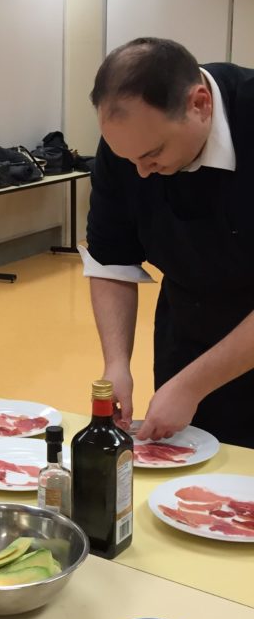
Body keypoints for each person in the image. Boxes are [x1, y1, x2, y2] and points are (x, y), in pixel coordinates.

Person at [83, 36, 254, 448]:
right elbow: (111, 262)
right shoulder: (127, 149)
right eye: (129, 160)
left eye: (153, 153)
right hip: (187, 326)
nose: (140, 173)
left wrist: (193, 385)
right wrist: (116, 364)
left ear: (199, 104)